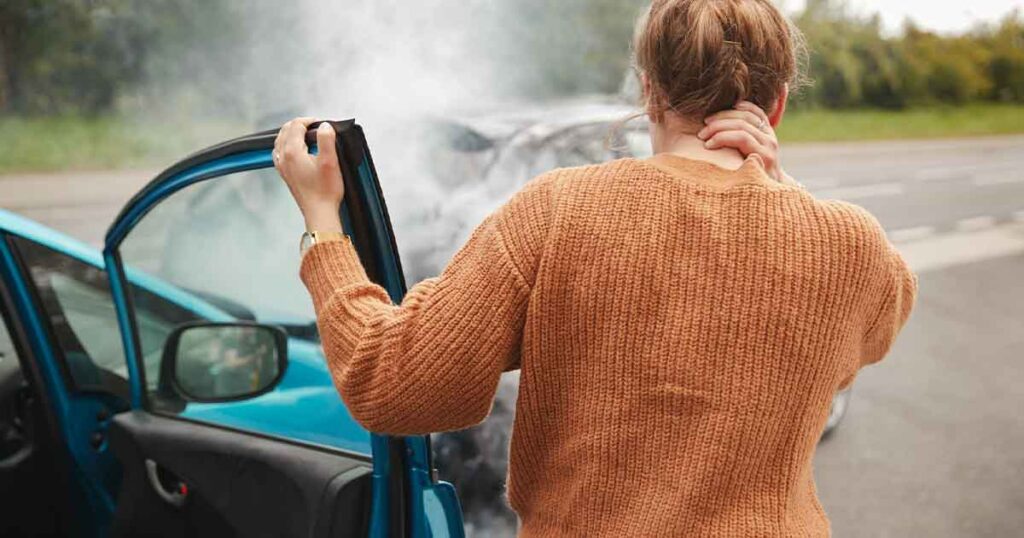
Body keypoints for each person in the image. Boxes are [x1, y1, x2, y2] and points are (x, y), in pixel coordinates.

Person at [274, 0, 917, 535]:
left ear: (649, 89)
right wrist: (780, 185)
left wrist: (323, 226)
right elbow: (882, 320)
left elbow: (393, 383)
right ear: (776, 106)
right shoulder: (850, 244)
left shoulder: (559, 210)